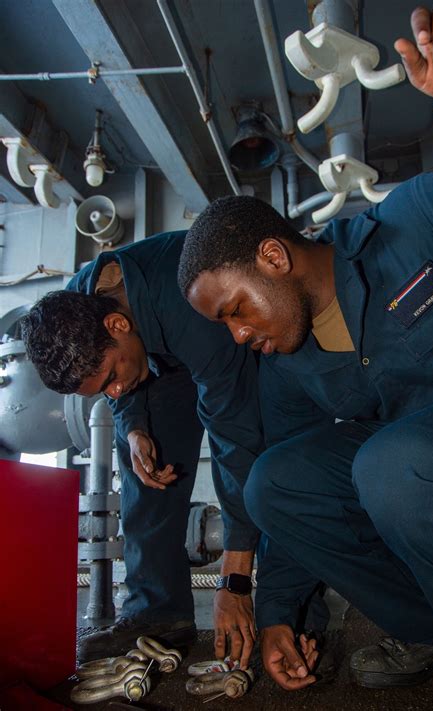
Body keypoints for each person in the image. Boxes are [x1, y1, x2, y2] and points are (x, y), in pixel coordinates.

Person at [177, 2, 433, 707]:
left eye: (234, 311)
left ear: (274, 255)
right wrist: (278, 611)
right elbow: (286, 508)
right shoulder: (287, 366)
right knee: (274, 482)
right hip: (419, 483)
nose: (238, 335)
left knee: (392, 465)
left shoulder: (416, 220)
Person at [21, 231, 266, 665]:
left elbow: (235, 436)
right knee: (144, 480)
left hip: (217, 335)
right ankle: (158, 615)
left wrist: (234, 578)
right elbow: (118, 385)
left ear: (117, 324)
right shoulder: (80, 305)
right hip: (153, 359)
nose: (112, 390)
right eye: (102, 390)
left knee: (260, 468)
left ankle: (290, 612)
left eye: (111, 376)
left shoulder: (188, 297)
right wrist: (133, 426)